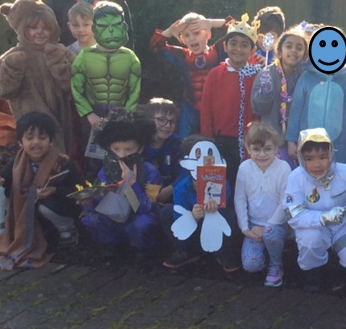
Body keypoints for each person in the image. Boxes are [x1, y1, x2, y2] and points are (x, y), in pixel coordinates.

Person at [283, 128, 346, 291]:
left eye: (322, 157)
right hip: (314, 227)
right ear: (301, 158)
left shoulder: (345, 171)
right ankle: (313, 275)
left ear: (331, 154)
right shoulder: (295, 178)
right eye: (309, 159)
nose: (317, 164)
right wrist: (323, 218)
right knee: (310, 241)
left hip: (344, 225)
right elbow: (294, 213)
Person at [0, 112, 83, 270]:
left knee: (45, 206)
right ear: (20, 142)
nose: (36, 142)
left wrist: (55, 190)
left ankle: (67, 231)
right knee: (9, 196)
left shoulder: (63, 162)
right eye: (29, 138)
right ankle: (34, 234)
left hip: (58, 207)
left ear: (51, 140)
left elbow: (80, 189)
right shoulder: (17, 163)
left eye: (42, 138)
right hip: (29, 211)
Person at [0, 0, 75, 153]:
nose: (40, 32)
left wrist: (59, 66)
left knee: (61, 155)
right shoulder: (13, 56)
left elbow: (77, 84)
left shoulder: (60, 51)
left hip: (62, 117)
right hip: (29, 119)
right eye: (33, 28)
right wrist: (12, 69)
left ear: (53, 29)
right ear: (23, 28)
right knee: (36, 154)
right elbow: (3, 90)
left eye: (45, 28)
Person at [80, 110, 163, 259]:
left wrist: (132, 184)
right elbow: (100, 204)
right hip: (114, 218)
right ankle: (110, 245)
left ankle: (141, 249)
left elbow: (148, 207)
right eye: (116, 149)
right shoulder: (105, 171)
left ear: (140, 149)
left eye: (128, 149)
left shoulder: (151, 172)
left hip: (137, 218)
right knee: (92, 220)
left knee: (143, 223)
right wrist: (89, 202)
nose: (121, 155)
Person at [161, 136, 241, 274]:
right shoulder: (181, 188)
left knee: (229, 214)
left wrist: (214, 209)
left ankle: (223, 253)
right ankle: (185, 251)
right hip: (192, 230)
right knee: (167, 212)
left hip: (213, 227)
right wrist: (192, 216)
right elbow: (179, 218)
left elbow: (224, 204)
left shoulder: (223, 183)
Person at [200, 18, 262, 181]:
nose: (238, 49)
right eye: (233, 43)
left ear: (253, 50)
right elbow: (206, 108)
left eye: (244, 45)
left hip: (249, 140)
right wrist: (208, 138)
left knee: (246, 181)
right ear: (225, 46)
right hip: (221, 139)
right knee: (221, 181)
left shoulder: (258, 75)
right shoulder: (215, 74)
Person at [285, 28, 346, 164]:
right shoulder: (306, 78)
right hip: (308, 146)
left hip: (340, 147)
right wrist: (291, 140)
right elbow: (296, 111)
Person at [149, 12, 229, 137]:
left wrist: (211, 23)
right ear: (182, 39)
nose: (192, 38)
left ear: (208, 34)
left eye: (196, 33)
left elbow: (240, 29)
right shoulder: (182, 55)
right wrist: (170, 31)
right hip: (191, 107)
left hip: (215, 107)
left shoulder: (219, 50)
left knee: (216, 141)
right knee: (184, 141)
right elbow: (156, 46)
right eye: (186, 35)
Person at [70, 2, 142, 133]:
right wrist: (89, 114)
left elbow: (134, 92)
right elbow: (76, 89)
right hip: (90, 118)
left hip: (121, 118)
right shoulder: (84, 56)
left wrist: (125, 117)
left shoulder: (130, 57)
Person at [234, 122, 291, 286]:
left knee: (271, 234)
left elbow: (285, 202)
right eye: (256, 149)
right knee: (251, 265)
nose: (262, 154)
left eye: (267, 149)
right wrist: (245, 228)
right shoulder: (244, 168)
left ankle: (276, 265)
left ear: (276, 148)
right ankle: (265, 253)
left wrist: (268, 226)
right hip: (254, 225)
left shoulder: (283, 168)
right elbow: (239, 199)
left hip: (277, 224)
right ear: (248, 148)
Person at [252, 27, 310, 168]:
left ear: (304, 55)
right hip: (271, 140)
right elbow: (258, 109)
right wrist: (265, 93)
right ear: (279, 50)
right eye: (288, 46)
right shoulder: (267, 74)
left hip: (296, 142)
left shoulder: (305, 77)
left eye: (299, 48)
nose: (293, 51)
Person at [140, 98, 184, 204]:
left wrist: (169, 190)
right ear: (149, 120)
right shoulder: (139, 143)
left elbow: (185, 173)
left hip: (170, 196)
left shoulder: (178, 144)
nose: (168, 125)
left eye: (172, 122)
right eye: (161, 120)